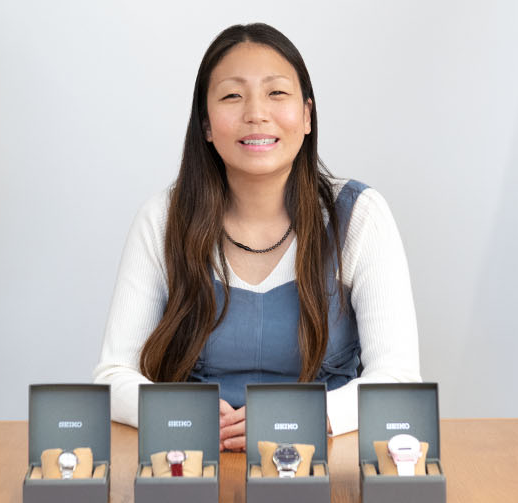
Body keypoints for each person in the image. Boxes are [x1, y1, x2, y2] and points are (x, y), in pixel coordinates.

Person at [94, 23, 420, 446]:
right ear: (206, 124)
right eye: (232, 95)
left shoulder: (359, 217)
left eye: (276, 93)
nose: (256, 113)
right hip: (194, 463)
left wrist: (298, 418)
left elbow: (396, 378)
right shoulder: (163, 218)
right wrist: (180, 412)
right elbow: (113, 375)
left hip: (323, 466)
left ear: (306, 115)